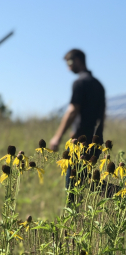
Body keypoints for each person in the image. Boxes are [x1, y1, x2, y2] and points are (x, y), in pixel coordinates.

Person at [49, 49, 106, 192]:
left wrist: (57, 137)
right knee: (87, 183)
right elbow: (102, 116)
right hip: (96, 141)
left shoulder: (79, 83)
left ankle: (122, 196)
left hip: (79, 142)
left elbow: (73, 110)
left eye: (69, 62)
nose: (68, 67)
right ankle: (121, 196)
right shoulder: (99, 85)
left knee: (72, 187)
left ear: (78, 61)